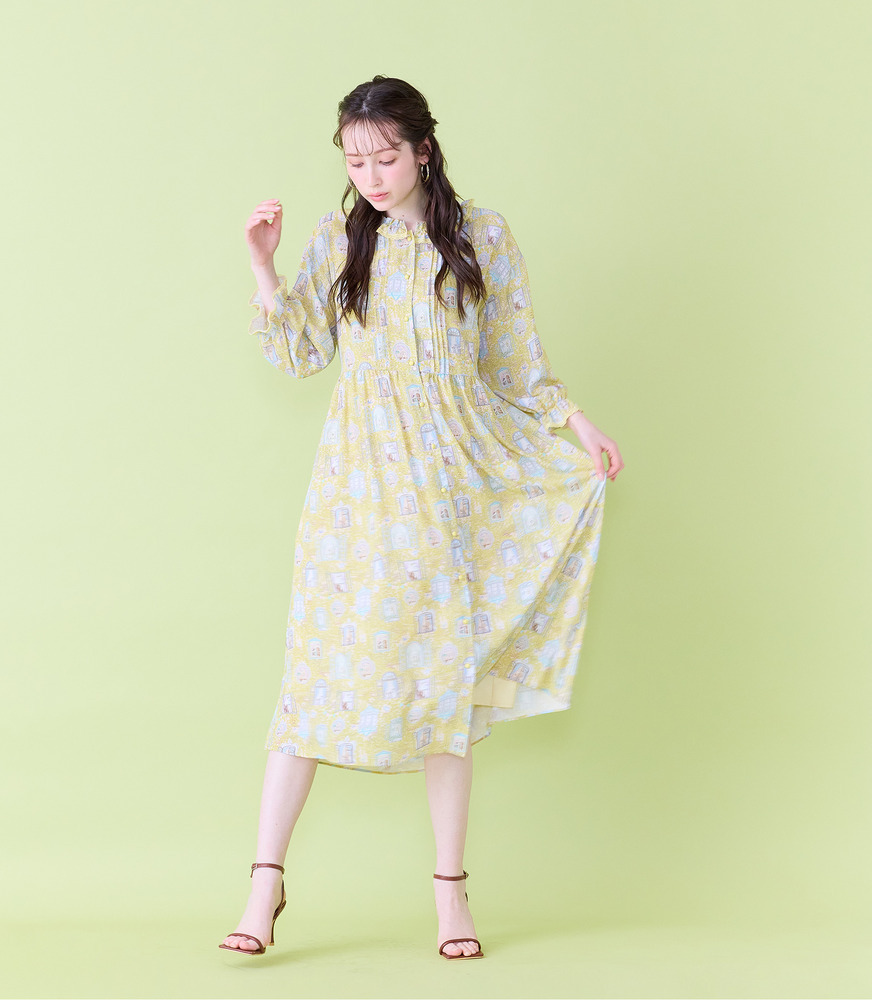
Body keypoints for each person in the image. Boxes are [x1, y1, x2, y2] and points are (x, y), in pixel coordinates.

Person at [219, 75, 624, 961]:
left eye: (385, 157)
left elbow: (514, 361)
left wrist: (576, 423)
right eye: (354, 161)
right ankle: (263, 885)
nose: (369, 176)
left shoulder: (482, 236)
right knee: (315, 676)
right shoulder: (340, 240)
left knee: (445, 683)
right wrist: (263, 266)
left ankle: (450, 896)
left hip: (448, 489)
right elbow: (299, 353)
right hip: (355, 490)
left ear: (423, 150)